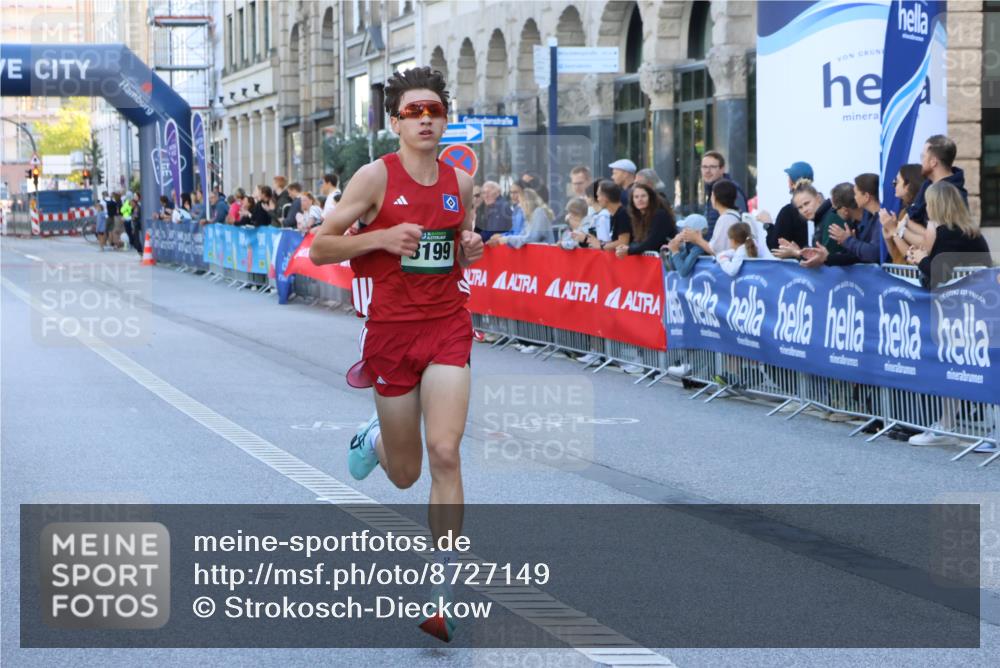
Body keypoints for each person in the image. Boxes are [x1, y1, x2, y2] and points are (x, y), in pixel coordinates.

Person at [307, 66, 483, 642]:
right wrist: (381, 237)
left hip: (448, 326)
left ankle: (442, 594)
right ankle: (375, 442)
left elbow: (459, 245)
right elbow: (320, 247)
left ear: (445, 119)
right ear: (395, 122)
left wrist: (470, 248)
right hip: (391, 333)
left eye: (434, 110)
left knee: (446, 452)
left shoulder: (459, 182)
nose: (425, 119)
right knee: (406, 474)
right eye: (413, 112)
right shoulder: (374, 177)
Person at [906, 180, 992, 288]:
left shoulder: (949, 232)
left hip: (968, 293)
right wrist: (919, 257)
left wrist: (922, 259)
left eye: (928, 204)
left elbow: (940, 275)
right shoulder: (963, 230)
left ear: (935, 207)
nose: (926, 208)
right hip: (979, 289)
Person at [614, 182, 676, 257]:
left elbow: (651, 242)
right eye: (636, 197)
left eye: (643, 196)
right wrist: (625, 248)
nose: (640, 199)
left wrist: (629, 250)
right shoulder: (638, 217)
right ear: (632, 201)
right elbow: (639, 242)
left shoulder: (660, 215)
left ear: (650, 198)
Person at [879, 163, 923, 264]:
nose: (894, 185)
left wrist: (894, 230)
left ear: (908, 185)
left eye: (897, 181)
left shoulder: (920, 213)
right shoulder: (904, 212)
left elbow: (913, 259)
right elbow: (897, 256)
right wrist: (888, 238)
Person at [486, 187, 554, 248]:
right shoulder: (529, 217)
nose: (519, 206)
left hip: (546, 253)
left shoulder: (539, 212)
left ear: (527, 202)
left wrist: (507, 239)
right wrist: (503, 237)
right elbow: (522, 234)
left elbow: (533, 237)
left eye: (520, 202)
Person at [701, 151, 748, 238]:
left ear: (722, 169)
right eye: (704, 167)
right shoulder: (711, 190)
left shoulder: (731, 190)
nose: (707, 171)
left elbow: (740, 224)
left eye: (712, 167)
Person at [766, 161, 812, 250]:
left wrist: (768, 224)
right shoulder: (818, 208)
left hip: (798, 259)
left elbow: (776, 247)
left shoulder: (788, 211)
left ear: (791, 182)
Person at [706, 180, 744, 254]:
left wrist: (697, 239)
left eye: (712, 195)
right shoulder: (733, 216)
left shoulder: (726, 219)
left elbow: (717, 249)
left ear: (715, 197)